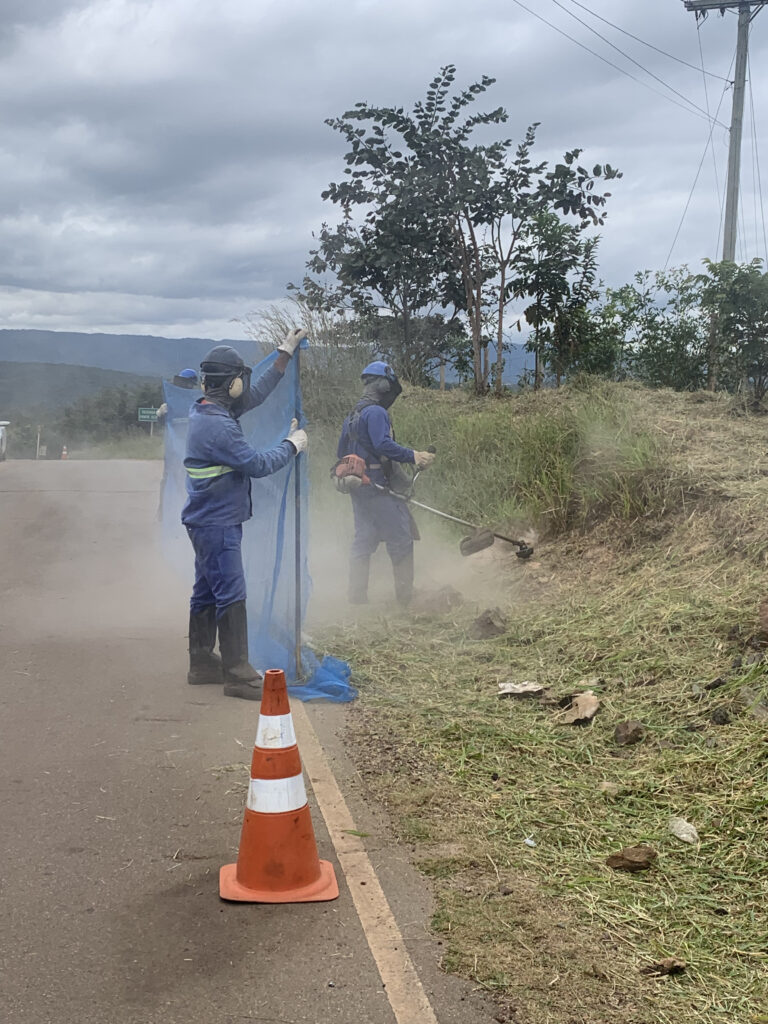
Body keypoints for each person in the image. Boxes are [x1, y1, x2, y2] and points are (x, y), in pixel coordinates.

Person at [182, 330, 307, 700]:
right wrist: (292, 446)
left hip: (205, 519)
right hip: (217, 522)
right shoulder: (218, 426)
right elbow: (256, 464)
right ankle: (237, 673)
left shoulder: (207, 410)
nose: (244, 387)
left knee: (206, 590)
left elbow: (256, 395)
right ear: (233, 383)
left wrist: (283, 356)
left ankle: (201, 661)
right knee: (231, 592)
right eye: (241, 380)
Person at [337, 361, 435, 606]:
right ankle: (405, 601)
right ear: (382, 384)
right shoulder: (377, 412)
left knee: (364, 538)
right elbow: (382, 444)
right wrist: (414, 455)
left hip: (359, 487)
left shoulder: (351, 416)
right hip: (380, 487)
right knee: (400, 539)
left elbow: (341, 452)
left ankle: (356, 599)